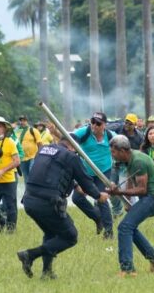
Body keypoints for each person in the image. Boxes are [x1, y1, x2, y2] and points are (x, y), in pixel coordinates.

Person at [16, 138, 110, 279]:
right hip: (47, 202)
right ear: (73, 146)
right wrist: (98, 195)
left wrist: (75, 186)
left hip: (29, 201)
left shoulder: (44, 150)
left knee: (51, 233)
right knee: (70, 236)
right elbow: (86, 181)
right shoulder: (71, 157)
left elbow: (52, 172)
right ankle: (30, 255)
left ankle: (46, 272)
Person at [107, 135, 154, 277]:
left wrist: (119, 192)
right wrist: (127, 201)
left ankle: (127, 269)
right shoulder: (130, 158)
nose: (112, 155)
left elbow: (142, 189)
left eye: (113, 152)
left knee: (124, 227)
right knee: (130, 228)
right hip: (148, 197)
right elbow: (130, 179)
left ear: (122, 150)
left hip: (153, 197)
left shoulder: (138, 161)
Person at [71, 112, 116, 239]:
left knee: (101, 199)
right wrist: (56, 133)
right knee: (77, 198)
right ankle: (97, 218)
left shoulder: (111, 136)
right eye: (93, 122)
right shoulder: (84, 132)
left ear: (104, 125)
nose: (94, 126)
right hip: (86, 172)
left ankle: (109, 232)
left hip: (104, 172)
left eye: (98, 123)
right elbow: (67, 139)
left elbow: (124, 146)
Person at [15, 115, 43, 185]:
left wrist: (39, 154)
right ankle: (28, 191)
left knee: (32, 173)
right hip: (22, 158)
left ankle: (35, 188)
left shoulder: (33, 130)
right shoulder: (17, 131)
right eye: (21, 120)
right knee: (26, 176)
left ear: (27, 121)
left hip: (33, 156)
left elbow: (39, 143)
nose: (22, 122)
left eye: (24, 120)